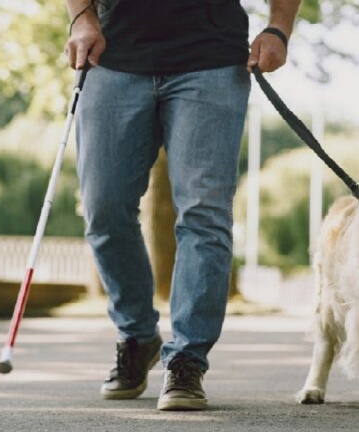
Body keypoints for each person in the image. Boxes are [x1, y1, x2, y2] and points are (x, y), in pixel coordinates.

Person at [63, 0, 300, 411]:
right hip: (113, 57)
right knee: (104, 209)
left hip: (210, 61)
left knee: (204, 215)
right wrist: (82, 17)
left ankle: (188, 358)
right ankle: (137, 337)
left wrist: (279, 27)